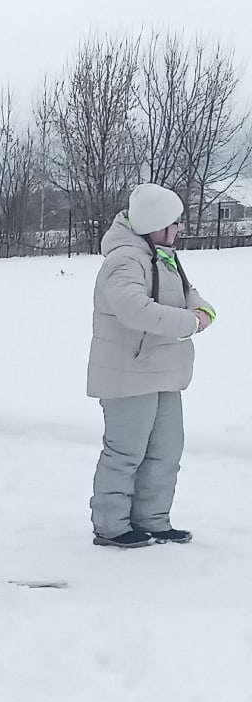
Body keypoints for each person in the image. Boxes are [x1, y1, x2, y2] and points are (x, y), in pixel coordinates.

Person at [88, 182, 215, 547]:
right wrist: (189, 322)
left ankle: (153, 519)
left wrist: (202, 309)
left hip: (163, 371)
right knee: (126, 453)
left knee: (165, 451)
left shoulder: (161, 255)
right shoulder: (124, 260)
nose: (179, 229)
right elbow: (134, 309)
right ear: (156, 224)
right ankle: (111, 526)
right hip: (128, 373)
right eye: (174, 223)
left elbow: (187, 293)